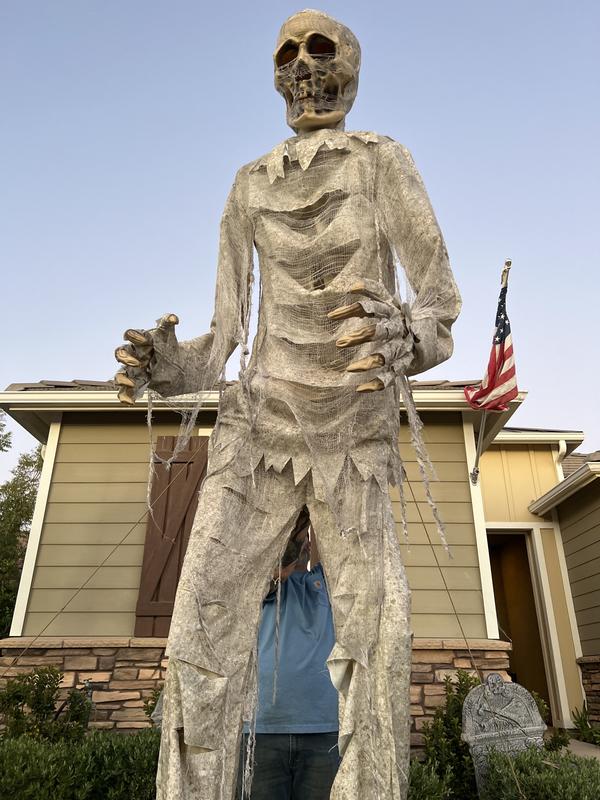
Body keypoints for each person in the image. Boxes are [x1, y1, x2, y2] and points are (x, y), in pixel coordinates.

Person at [114, 10, 460, 799]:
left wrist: (405, 335)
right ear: (275, 76)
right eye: (289, 56)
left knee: (381, 635)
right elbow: (223, 338)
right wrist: (169, 365)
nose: (305, 70)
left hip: (354, 431)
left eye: (322, 51)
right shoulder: (248, 185)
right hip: (259, 428)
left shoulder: (382, 160)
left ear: (352, 66)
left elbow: (439, 309)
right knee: (198, 628)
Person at [238, 510, 339, 800]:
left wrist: (318, 519)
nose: (304, 543)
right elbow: (279, 567)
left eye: (307, 539)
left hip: (324, 731)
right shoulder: (259, 584)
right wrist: (297, 528)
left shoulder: (328, 586)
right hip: (261, 731)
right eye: (300, 538)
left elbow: (341, 551)